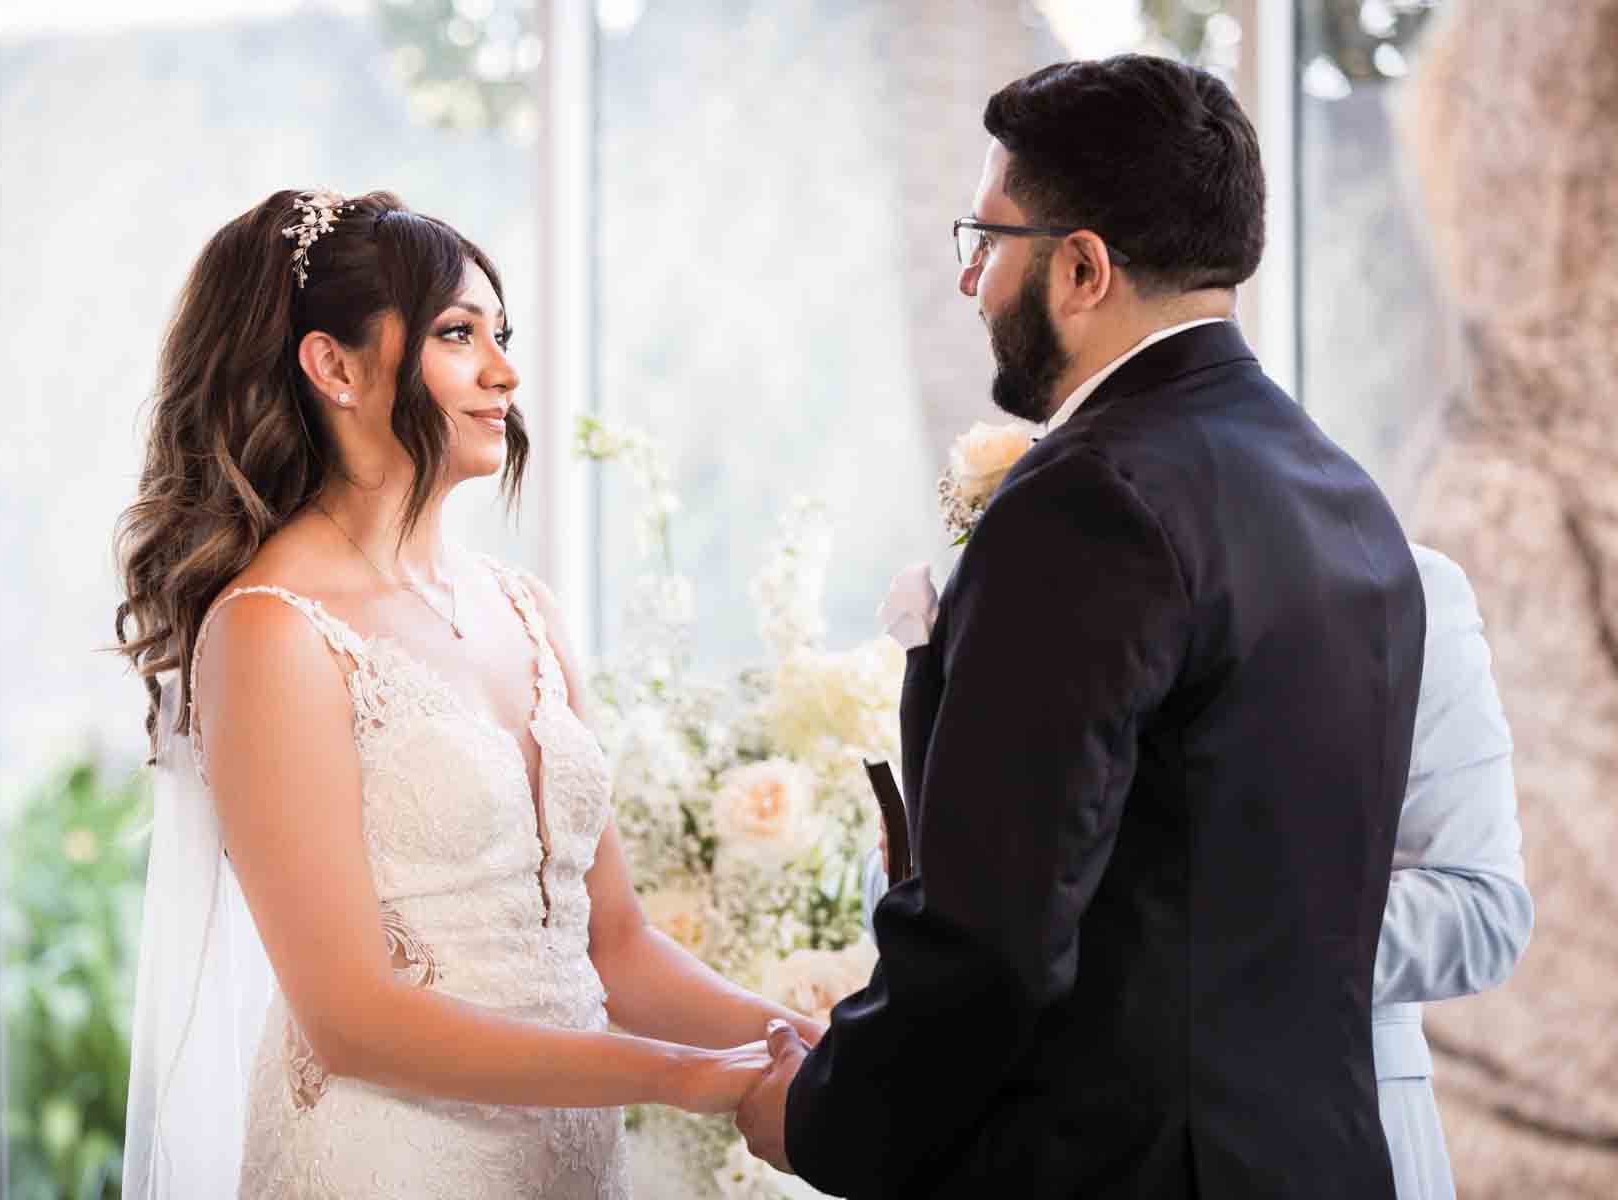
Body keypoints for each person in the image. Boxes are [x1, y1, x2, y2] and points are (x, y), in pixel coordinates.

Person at [734, 56, 1426, 1198]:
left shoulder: (1089, 501)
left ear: (1083, 266)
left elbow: (996, 937)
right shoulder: (1344, 495)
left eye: (990, 239)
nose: (971, 282)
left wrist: (820, 1119)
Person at [114, 189, 820, 1199]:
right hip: (388, 1162)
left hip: (570, 1164)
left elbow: (614, 942)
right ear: (334, 366)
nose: (505, 370)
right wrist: (678, 1077)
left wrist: (807, 1040)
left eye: (501, 333)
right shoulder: (273, 628)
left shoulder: (523, 609)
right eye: (458, 333)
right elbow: (353, 1021)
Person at [859, 543, 1532, 1199]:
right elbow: (932, 894)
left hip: (1334, 1133)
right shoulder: (1022, 610)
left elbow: (1481, 912)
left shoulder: (1402, 587)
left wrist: (1169, 931)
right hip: (1065, 1150)